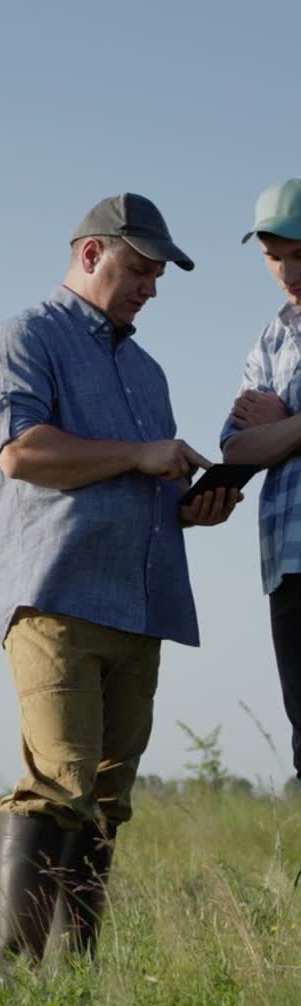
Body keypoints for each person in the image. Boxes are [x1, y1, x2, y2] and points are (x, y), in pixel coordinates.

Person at [0, 193, 241, 971]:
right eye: (139, 270)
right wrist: (137, 456)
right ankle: (9, 989)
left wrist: (194, 507)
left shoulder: (147, 372)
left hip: (142, 607)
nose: (150, 288)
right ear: (91, 255)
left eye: (158, 276)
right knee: (58, 784)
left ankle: (70, 985)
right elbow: (21, 452)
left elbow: (143, 484)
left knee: (107, 802)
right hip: (57, 601)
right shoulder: (26, 337)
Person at [219, 180, 301, 785]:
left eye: (298, 253)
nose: (284, 269)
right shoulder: (270, 340)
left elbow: (264, 439)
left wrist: (287, 424)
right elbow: (238, 445)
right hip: (290, 561)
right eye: (273, 255)